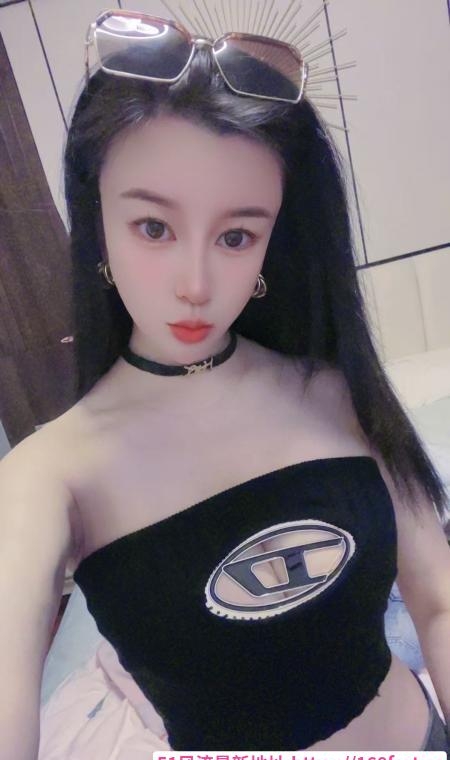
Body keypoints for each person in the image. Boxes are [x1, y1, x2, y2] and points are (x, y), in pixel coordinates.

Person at [1, 9, 449, 758]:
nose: (197, 284)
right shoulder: (49, 478)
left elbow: (437, 602)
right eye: (154, 228)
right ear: (97, 219)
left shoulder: (334, 390)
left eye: (237, 236)